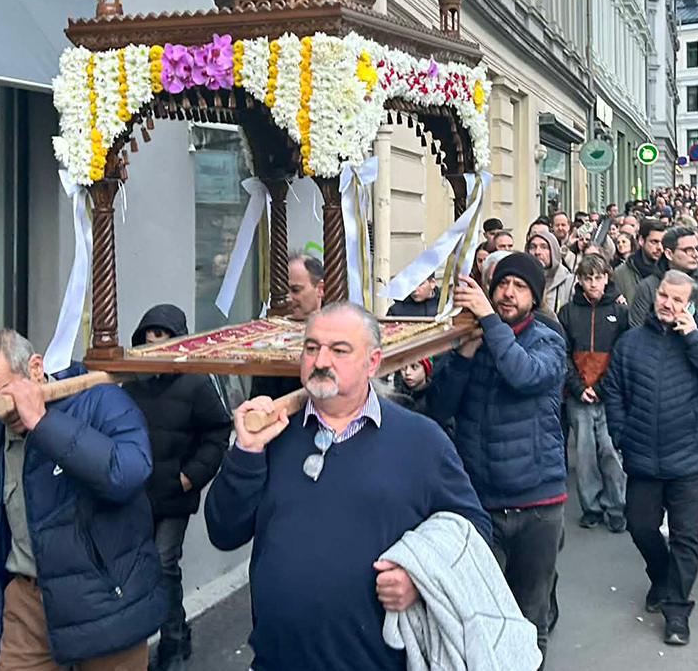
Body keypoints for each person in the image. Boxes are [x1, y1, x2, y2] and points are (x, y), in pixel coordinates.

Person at [205, 302, 492, 671]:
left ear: (372, 362)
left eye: (339, 350)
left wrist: (421, 579)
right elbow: (223, 532)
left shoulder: (420, 440)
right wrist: (246, 450)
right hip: (277, 661)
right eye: (311, 348)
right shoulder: (274, 435)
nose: (321, 360)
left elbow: (474, 533)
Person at [0, 329, 165, 671]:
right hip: (28, 599)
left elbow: (128, 473)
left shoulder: (101, 400)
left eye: (3, 396)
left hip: (104, 600)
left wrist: (44, 424)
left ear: (35, 367)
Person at [427, 256, 568, 657]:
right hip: (483, 504)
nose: (508, 292)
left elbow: (525, 376)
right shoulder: (474, 337)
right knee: (483, 614)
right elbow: (439, 408)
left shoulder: (547, 338)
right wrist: (465, 355)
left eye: (520, 286)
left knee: (529, 617)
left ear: (534, 297)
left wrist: (490, 322)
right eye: (502, 283)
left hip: (537, 503)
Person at [600, 272, 698, 647]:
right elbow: (614, 390)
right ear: (655, 295)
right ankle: (661, 578)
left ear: (690, 305)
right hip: (643, 456)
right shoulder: (630, 343)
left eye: (678, 299)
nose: (668, 304)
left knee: (686, 537)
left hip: (692, 459)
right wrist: (621, 433)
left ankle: (677, 611)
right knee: (641, 526)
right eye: (664, 295)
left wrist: (692, 338)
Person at [124, 305, 234, 671]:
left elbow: (218, 432)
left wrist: (190, 476)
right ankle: (147, 639)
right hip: (135, 495)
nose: (155, 343)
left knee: (164, 563)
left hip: (174, 494)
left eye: (163, 336)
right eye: (149, 337)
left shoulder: (196, 383)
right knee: (139, 568)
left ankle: (172, 641)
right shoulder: (131, 382)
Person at [558, 252, 630, 533]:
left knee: (611, 452)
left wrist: (603, 387)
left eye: (598, 277)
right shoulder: (568, 312)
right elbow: (563, 353)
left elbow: (622, 353)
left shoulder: (620, 312)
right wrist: (577, 386)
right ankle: (592, 506)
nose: (592, 283)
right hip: (579, 393)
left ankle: (617, 505)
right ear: (580, 280)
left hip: (609, 393)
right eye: (587, 278)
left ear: (606, 278)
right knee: (586, 453)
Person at [251, 253, 326, 399]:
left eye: (296, 290)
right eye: (286, 291)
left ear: (320, 289)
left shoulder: (338, 331)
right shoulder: (270, 334)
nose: (289, 298)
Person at [628, 227, 698, 334]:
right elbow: (636, 330)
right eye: (688, 250)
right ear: (669, 254)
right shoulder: (647, 287)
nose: (695, 254)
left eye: (697, 248)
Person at [612, 219, 666, 312]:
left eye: (662, 243)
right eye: (654, 242)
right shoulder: (620, 273)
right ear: (641, 240)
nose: (659, 248)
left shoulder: (670, 273)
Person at [528, 226, 575, 315]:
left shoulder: (570, 282)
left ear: (554, 251)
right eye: (533, 247)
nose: (537, 252)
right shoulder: (522, 281)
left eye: (544, 247)